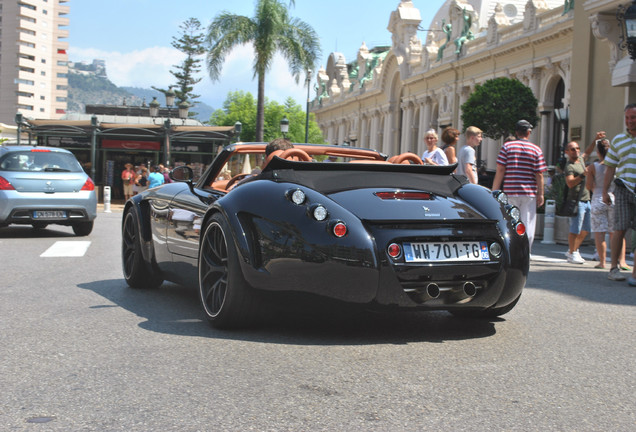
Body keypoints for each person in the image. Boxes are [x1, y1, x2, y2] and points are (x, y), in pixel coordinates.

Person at [492, 119, 547, 254]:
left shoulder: (507, 147)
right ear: (528, 132)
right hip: (528, 193)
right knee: (528, 223)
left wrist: (494, 191)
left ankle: (511, 250)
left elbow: (500, 169)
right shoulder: (536, 149)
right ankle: (525, 252)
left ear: (516, 132)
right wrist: (541, 193)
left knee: (510, 221)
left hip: (510, 191)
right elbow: (539, 174)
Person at [603, 103, 636, 284]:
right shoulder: (618, 140)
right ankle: (614, 267)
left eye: (633, 118)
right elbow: (610, 168)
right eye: (627, 118)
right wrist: (605, 191)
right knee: (619, 228)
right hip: (622, 188)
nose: (630, 121)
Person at [586, 138, 628, 270]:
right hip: (614, 197)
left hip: (598, 198)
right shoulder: (615, 166)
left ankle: (602, 261)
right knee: (617, 232)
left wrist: (595, 189)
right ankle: (621, 261)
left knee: (600, 232)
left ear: (598, 151)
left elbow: (588, 186)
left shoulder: (593, 167)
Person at [562, 141, 591, 264]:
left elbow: (588, 152)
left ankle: (572, 250)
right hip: (576, 201)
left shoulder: (581, 160)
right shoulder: (569, 166)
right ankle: (573, 253)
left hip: (586, 199)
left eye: (578, 148)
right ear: (567, 152)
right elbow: (570, 183)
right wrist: (583, 175)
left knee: (586, 229)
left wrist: (595, 140)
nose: (576, 151)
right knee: (575, 229)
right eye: (573, 149)